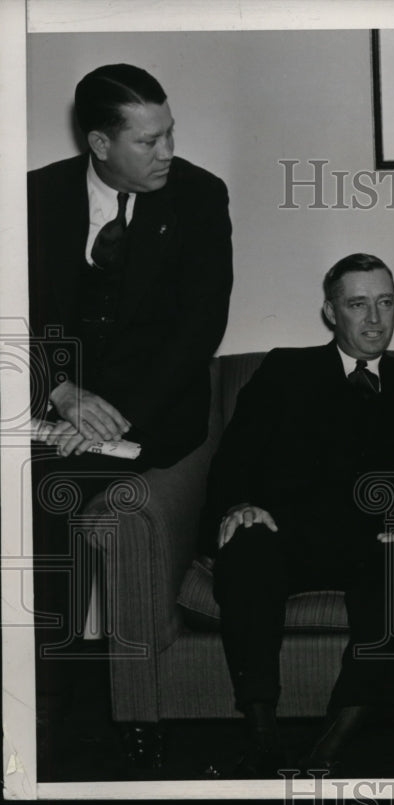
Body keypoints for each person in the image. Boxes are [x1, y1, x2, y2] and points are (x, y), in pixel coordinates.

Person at [27, 63, 232, 729]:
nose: (167, 152)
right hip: (49, 403)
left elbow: (198, 331)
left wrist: (103, 422)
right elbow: (11, 315)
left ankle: (55, 699)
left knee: (48, 493)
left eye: (169, 133)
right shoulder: (33, 196)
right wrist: (57, 392)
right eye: (148, 141)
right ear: (99, 143)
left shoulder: (200, 197)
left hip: (154, 417)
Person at [204, 254, 394, 777]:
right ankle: (262, 734)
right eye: (357, 304)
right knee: (245, 547)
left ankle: (333, 742)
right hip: (289, 534)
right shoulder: (284, 370)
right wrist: (238, 504)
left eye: (385, 303)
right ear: (329, 311)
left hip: (374, 544)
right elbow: (234, 457)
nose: (374, 320)